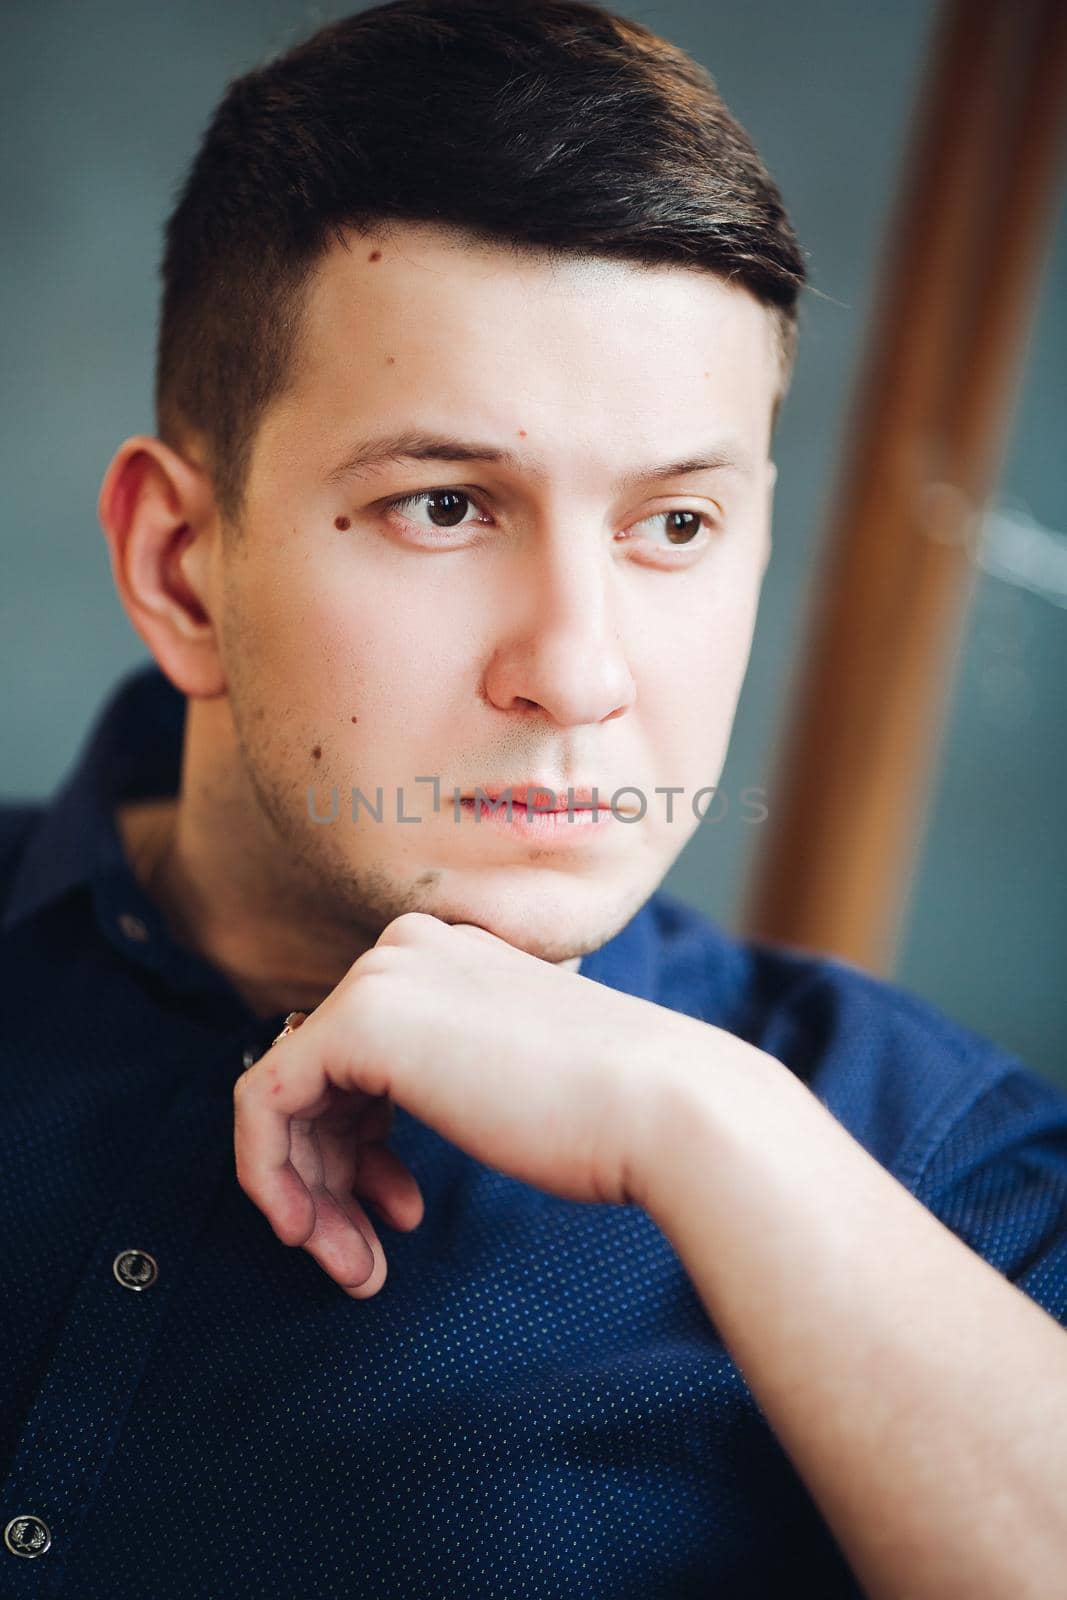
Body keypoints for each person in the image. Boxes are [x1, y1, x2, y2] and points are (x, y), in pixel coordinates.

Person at [2, 1, 1065, 1594]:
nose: (579, 673)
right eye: (445, 504)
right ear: (181, 566)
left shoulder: (937, 1168)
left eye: (678, 526)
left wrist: (702, 1127)